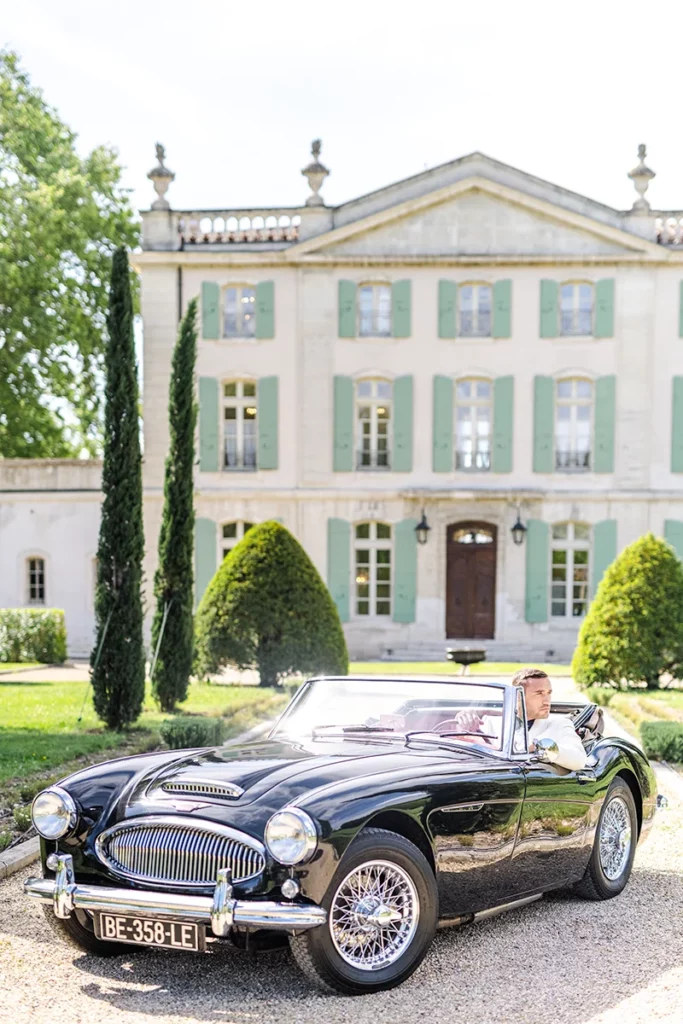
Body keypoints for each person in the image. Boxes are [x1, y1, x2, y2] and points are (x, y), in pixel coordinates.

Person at [451, 667, 587, 771]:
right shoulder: (491, 722)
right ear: (518, 697)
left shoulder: (559, 724)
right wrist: (464, 721)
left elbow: (579, 760)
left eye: (548, 693)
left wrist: (541, 747)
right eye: (539, 693)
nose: (547, 701)